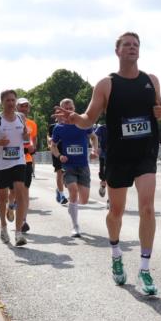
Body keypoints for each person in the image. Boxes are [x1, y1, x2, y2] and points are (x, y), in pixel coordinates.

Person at [56, 31, 161, 295]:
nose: (132, 48)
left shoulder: (151, 80)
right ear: (117, 51)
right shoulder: (106, 84)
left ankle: (145, 270)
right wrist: (75, 119)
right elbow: (89, 118)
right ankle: (116, 253)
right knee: (116, 211)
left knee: (147, 207)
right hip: (118, 155)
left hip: (145, 153)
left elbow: (159, 112)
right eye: (127, 45)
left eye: (136, 45)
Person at [0, 90, 29, 246]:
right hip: (1, 164)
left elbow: (26, 138)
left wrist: (26, 134)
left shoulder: (21, 118)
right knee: (2, 197)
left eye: (13, 100)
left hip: (19, 160)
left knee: (20, 191)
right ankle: (3, 226)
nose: (11, 103)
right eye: (8, 100)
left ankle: (18, 233)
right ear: (2, 102)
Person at [50, 98, 97, 237]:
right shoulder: (59, 128)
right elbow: (52, 145)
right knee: (73, 191)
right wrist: (59, 156)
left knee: (84, 200)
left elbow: (93, 137)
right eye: (65, 108)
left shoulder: (83, 123)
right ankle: (75, 226)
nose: (68, 110)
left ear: (74, 108)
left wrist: (94, 150)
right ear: (60, 111)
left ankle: (72, 207)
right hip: (68, 165)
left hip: (83, 166)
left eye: (70, 108)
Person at [6, 98, 38, 232]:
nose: (24, 108)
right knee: (13, 191)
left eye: (26, 106)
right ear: (16, 107)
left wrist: (33, 148)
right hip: (11, 160)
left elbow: (33, 141)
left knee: (24, 191)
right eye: (21, 106)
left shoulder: (32, 124)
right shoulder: (8, 121)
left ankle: (23, 220)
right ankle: (10, 206)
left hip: (26, 160)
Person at [94, 122, 109, 199]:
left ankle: (110, 200)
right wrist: (97, 147)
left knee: (112, 178)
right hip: (103, 155)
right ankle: (103, 186)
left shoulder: (119, 126)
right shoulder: (102, 128)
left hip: (116, 156)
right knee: (104, 176)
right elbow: (94, 137)